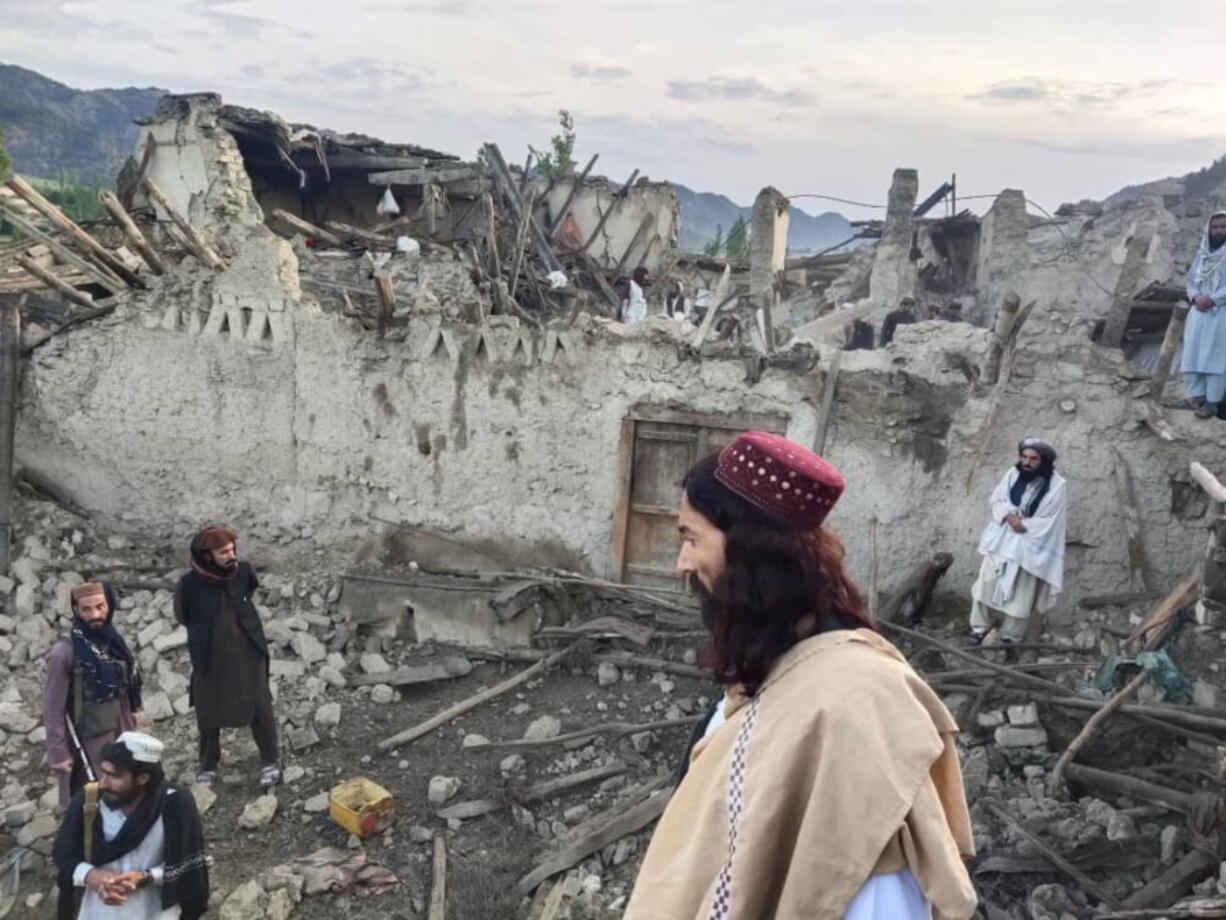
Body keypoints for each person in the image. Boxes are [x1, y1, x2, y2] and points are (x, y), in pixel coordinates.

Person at [624, 431, 977, 920]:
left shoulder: (855, 705)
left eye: (690, 537)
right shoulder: (780, 667)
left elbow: (869, 892)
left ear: (750, 552)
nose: (682, 562)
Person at [52, 731, 208, 920]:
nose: (103, 783)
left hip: (155, 912)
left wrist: (145, 877)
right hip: (97, 913)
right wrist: (94, 877)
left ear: (142, 779)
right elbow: (64, 856)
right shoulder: (88, 801)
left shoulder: (175, 804)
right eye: (103, 773)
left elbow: (188, 868)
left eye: (114, 776)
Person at [174, 526, 280, 788]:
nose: (230, 556)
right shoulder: (188, 585)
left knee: (259, 705)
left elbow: (249, 590)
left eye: (232, 550)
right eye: (223, 552)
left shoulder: (243, 572)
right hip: (209, 656)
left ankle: (270, 760)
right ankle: (208, 765)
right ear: (206, 555)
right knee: (208, 709)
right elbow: (182, 615)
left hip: (248, 651)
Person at [43, 582, 142, 808]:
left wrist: (132, 720)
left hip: (120, 733)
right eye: (86, 609)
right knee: (88, 804)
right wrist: (58, 753)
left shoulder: (114, 644)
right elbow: (52, 709)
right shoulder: (64, 653)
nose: (94, 615)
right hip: (86, 743)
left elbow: (126, 689)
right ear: (76, 610)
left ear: (109, 605)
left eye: (100, 606)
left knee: (124, 795)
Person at [970, 438, 1068, 645]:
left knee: (1022, 595)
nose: (1027, 462)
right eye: (1024, 457)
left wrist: (1024, 525)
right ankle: (978, 629)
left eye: (1033, 459)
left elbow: (1051, 520)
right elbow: (997, 499)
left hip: (1031, 547)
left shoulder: (1058, 486)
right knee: (985, 583)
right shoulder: (1012, 474)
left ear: (1044, 461)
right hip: (1002, 540)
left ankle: (1010, 638)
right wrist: (1008, 516)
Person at [1181, 211, 1226, 419]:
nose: (1219, 231)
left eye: (1223, 227)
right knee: (1193, 353)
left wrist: (1213, 299)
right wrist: (1196, 296)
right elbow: (1191, 282)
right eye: (1215, 227)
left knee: (1215, 358)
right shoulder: (1202, 256)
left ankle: (1212, 402)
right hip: (1198, 312)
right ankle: (1194, 398)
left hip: (1220, 313)